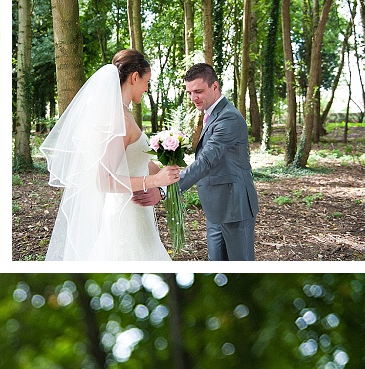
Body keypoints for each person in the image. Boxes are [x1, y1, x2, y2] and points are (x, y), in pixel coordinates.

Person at [41, 51, 180, 261]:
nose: (146, 88)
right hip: (125, 216)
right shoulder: (118, 121)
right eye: (146, 81)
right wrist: (154, 180)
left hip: (138, 213)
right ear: (134, 77)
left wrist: (167, 169)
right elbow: (103, 181)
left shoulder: (125, 114)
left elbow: (134, 160)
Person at [176, 62, 259, 260]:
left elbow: (206, 160)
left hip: (235, 207)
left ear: (215, 86)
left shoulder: (228, 117)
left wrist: (171, 186)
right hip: (216, 208)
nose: (193, 97)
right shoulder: (211, 115)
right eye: (189, 92)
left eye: (198, 91)